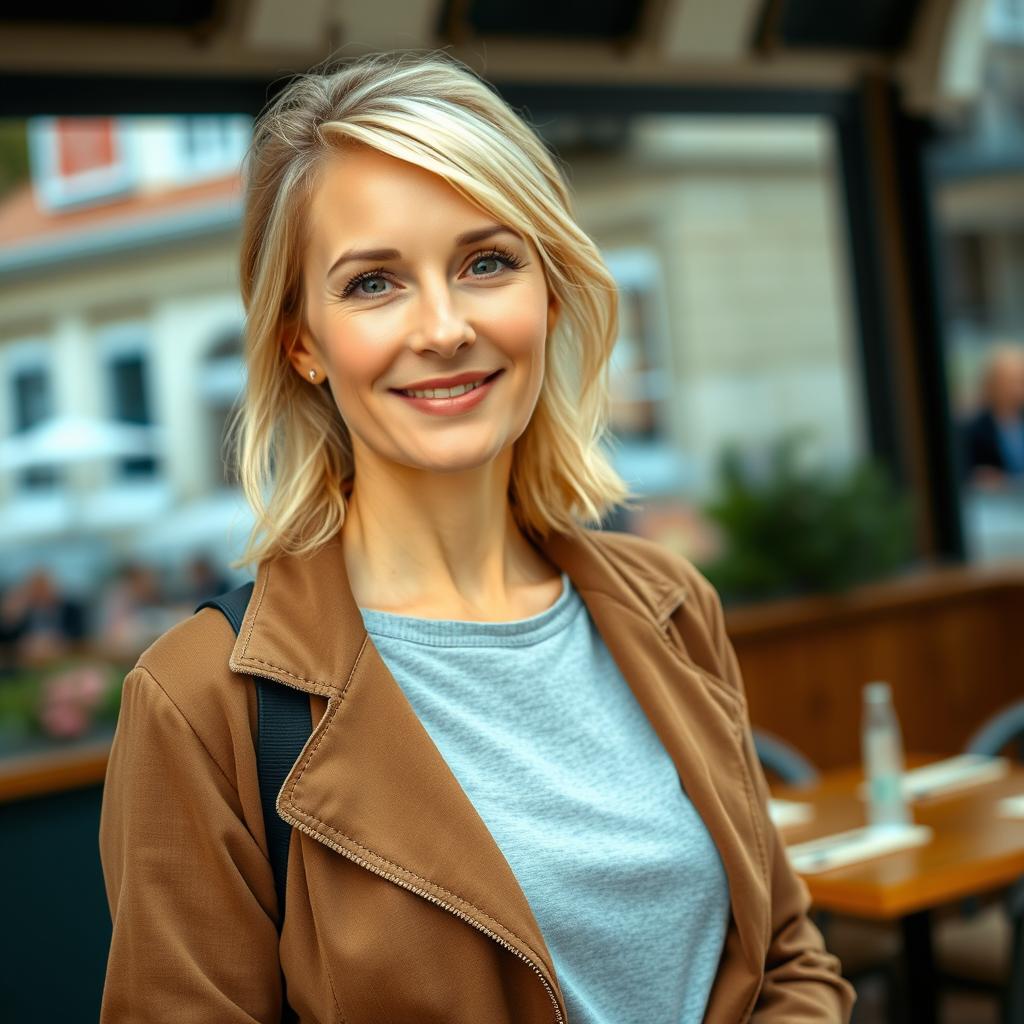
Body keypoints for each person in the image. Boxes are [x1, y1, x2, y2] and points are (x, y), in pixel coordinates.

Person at [98, 50, 855, 1023]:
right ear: (301, 340)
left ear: (547, 290)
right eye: (374, 283)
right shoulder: (203, 701)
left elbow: (787, 956)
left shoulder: (667, 606)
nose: (445, 326)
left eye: (485, 261)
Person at [961, 342, 1024, 488]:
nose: (1015, 388)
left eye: (1019, 380)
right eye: (1008, 381)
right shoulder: (973, 431)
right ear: (991, 384)